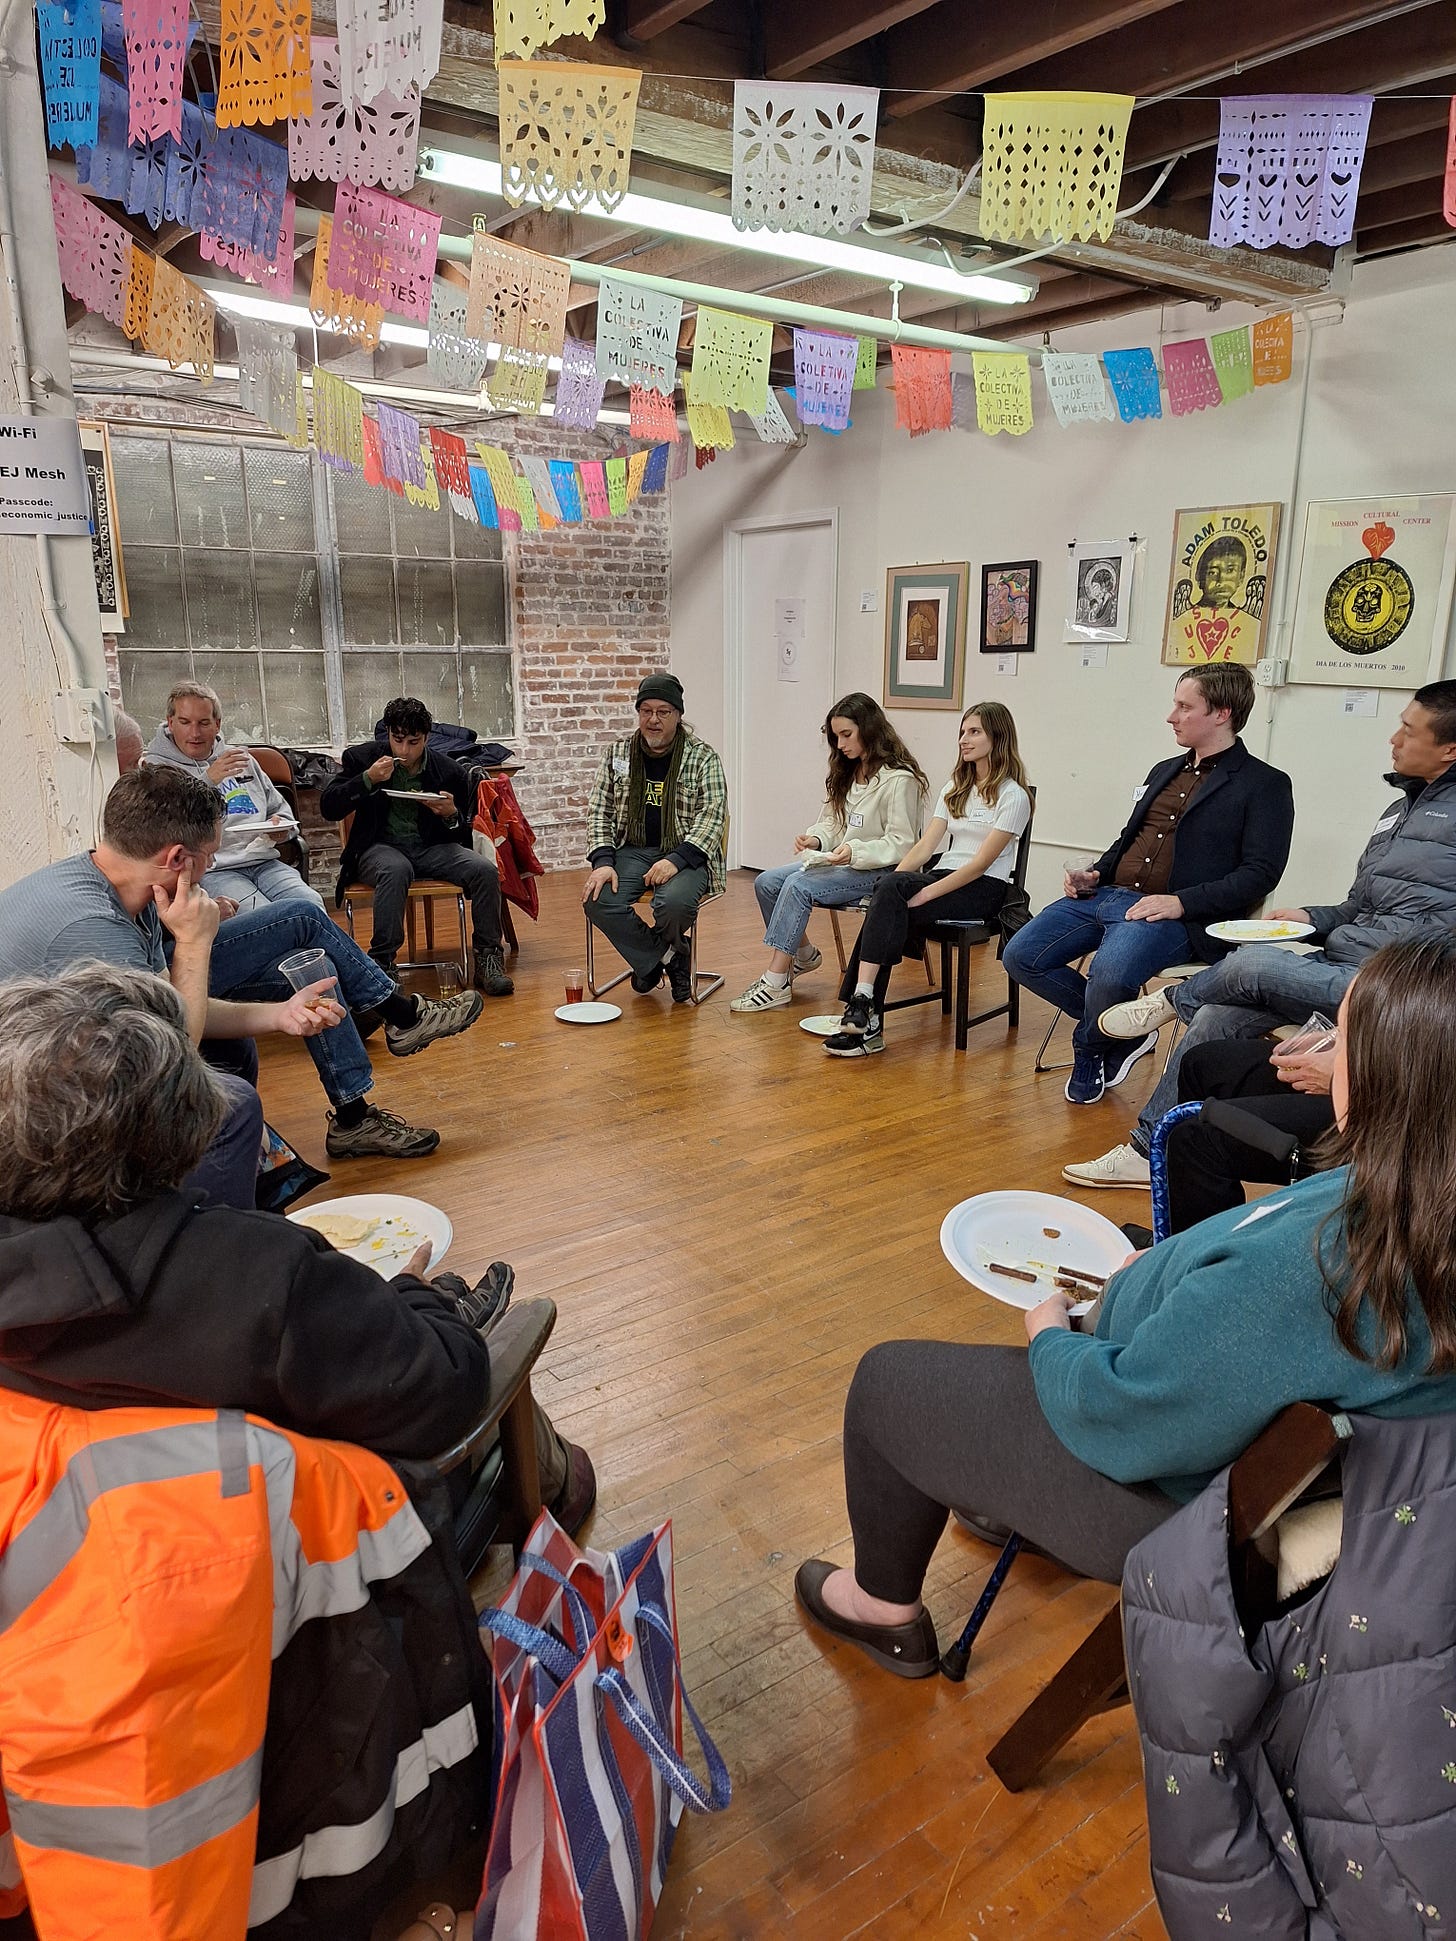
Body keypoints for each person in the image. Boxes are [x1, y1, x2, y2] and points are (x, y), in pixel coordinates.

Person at [793, 933, 1456, 1677]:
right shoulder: (1419, 1205)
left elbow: (1127, 1412)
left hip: (1165, 1498)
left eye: (1343, 1034)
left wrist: (1049, 1335)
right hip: (1270, 1466)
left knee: (888, 1384)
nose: (1328, 1050)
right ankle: (997, 1482)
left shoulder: (1320, 1265)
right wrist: (1168, 1269)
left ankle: (881, 1610)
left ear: (1388, 1074)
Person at [0, 959, 595, 1521]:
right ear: (180, 1125)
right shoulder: (260, 1268)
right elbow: (443, 1396)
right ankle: (545, 1473)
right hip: (301, 1539)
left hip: (99, 1538)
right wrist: (413, 1296)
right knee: (480, 1342)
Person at [1067, 681, 1456, 1189]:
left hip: (1396, 990)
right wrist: (1309, 918)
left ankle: (1171, 1000)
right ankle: (1150, 1149)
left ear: (1449, 748)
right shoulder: (1400, 809)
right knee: (1216, 1015)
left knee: (1253, 964)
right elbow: (1359, 909)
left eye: (1407, 730)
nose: (1393, 739)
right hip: (1342, 966)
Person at [0, 766, 482, 1164]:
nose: (210, 867)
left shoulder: (130, 883)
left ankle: (352, 1117)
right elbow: (171, 1050)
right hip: (31, 1099)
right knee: (231, 1084)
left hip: (82, 1047)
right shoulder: (91, 926)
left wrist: (279, 1016)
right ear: (177, 858)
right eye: (209, 856)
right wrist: (193, 940)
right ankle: (399, 1023)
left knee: (288, 990)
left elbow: (168, 996)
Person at [1002, 665, 1293, 1105]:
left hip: (1178, 915)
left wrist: (1180, 902)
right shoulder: (1164, 769)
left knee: (1112, 973)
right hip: (1108, 895)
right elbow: (1130, 838)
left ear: (1221, 714)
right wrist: (1097, 872)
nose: (1171, 716)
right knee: (1020, 955)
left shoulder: (1265, 784)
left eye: (1183, 706)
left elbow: (1260, 874)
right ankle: (1124, 1035)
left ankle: (1092, 1049)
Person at [823, 702, 1030, 1057]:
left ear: (998, 736)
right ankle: (864, 1003)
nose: (964, 739)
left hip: (987, 889)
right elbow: (924, 847)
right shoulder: (956, 787)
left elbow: (980, 864)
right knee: (888, 896)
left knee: (889, 904)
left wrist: (923, 894)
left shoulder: (1014, 796)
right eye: (963, 732)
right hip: (945, 875)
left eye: (974, 732)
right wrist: (893, 884)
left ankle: (863, 1016)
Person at [731, 693, 927, 1012]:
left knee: (798, 886)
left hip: (883, 873)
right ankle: (804, 956)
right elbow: (831, 823)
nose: (840, 744)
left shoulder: (899, 780)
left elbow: (903, 844)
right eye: (835, 737)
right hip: (848, 865)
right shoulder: (849, 772)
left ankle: (775, 980)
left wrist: (854, 850)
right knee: (766, 882)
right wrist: (816, 839)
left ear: (870, 729)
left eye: (846, 735)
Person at [320, 695, 513, 998]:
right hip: (379, 847)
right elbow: (329, 808)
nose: (405, 750)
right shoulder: (362, 759)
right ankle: (382, 963)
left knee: (484, 870)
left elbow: (462, 834)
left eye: (414, 741)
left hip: (430, 848)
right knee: (396, 869)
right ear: (388, 735)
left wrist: (450, 815)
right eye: (398, 741)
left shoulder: (449, 771)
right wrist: (367, 779)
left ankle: (488, 957)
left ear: (426, 737)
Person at [583, 673, 727, 1004]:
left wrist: (675, 861)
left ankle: (650, 961)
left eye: (663, 711)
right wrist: (603, 862)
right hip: (633, 849)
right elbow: (599, 812)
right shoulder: (617, 753)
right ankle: (670, 958)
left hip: (686, 853)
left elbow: (713, 816)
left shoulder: (702, 757)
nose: (653, 720)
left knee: (673, 904)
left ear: (678, 715)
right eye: (646, 710)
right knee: (597, 898)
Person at [142, 680, 325, 912]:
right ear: (170, 723)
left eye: (204, 723)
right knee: (264, 916)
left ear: (217, 725)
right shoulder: (156, 768)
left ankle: (320, 950)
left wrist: (280, 828)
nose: (195, 732)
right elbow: (164, 828)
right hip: (212, 870)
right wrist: (209, 780)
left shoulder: (242, 759)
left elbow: (280, 811)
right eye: (185, 722)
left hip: (264, 861)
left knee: (311, 904)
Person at [1166, 533, 1260, 664]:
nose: (1221, 581)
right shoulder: (1183, 618)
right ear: (1200, 576)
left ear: (1242, 576)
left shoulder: (1248, 621)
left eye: (1230, 570)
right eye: (1213, 573)